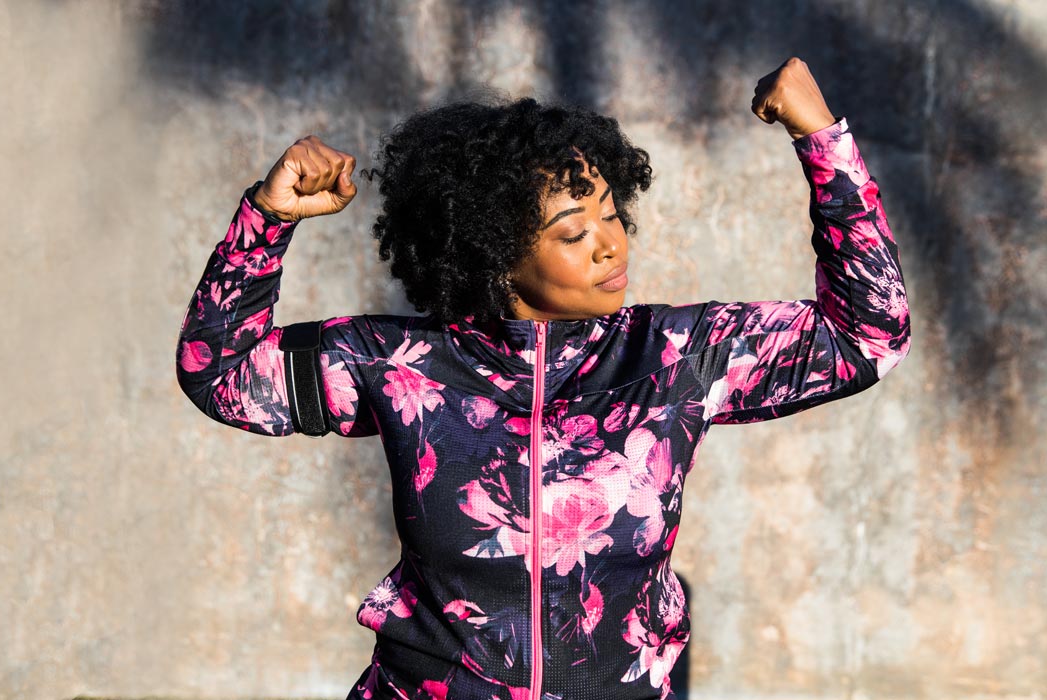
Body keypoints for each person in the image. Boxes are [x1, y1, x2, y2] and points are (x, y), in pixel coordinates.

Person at [175, 57, 910, 700]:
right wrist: (268, 219)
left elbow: (868, 332)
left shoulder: (676, 355)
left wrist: (821, 140)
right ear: (494, 256)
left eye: (612, 214)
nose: (610, 245)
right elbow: (225, 374)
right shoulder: (402, 368)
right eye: (572, 232)